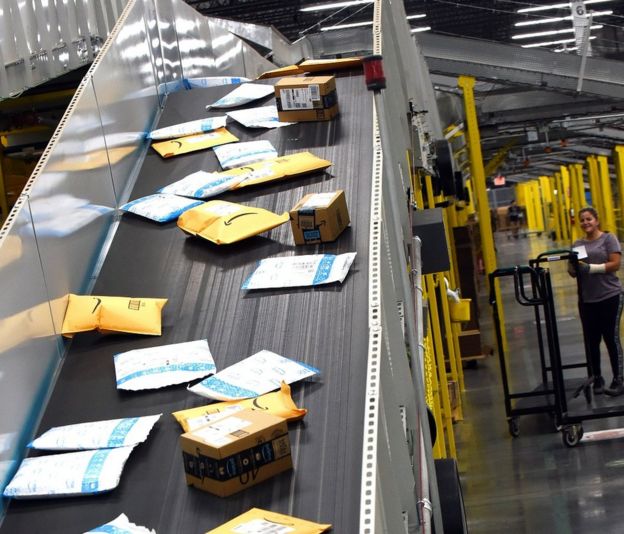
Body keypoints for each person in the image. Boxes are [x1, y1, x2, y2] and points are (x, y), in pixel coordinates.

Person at [568, 206, 624, 396]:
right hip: (587, 300)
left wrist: (591, 268)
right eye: (582, 220)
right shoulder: (578, 244)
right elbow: (574, 271)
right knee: (592, 341)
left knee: (611, 338)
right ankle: (597, 378)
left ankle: (619, 379)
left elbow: (615, 264)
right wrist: (573, 266)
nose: (585, 223)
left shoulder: (608, 239)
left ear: (596, 220)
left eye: (589, 219)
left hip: (610, 296)